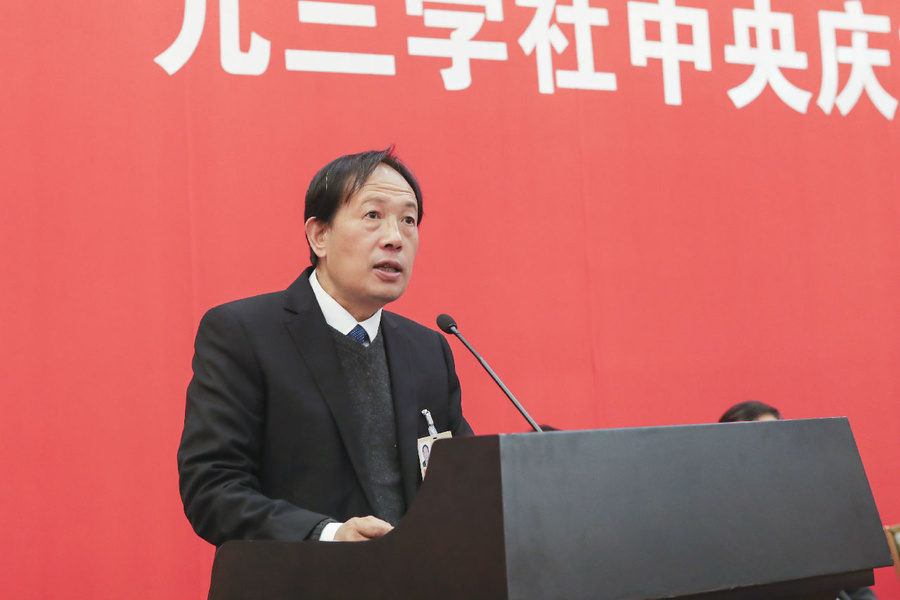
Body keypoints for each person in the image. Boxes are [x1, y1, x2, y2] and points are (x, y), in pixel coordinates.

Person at [177, 148, 472, 546]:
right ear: (319, 236)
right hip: (303, 575)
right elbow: (212, 488)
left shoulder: (428, 350)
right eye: (373, 215)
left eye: (408, 220)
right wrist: (327, 535)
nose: (395, 238)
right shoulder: (244, 334)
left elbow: (464, 483)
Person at [717, 401, 877, 600]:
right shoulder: (718, 526)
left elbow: (857, 587)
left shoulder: (816, 509)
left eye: (770, 437)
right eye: (747, 442)